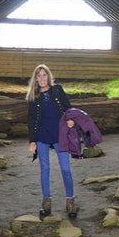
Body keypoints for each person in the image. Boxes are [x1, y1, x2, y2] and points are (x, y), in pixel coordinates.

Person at [26, 64, 79, 218]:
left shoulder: (57, 90)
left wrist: (70, 120)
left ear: (48, 76)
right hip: (42, 136)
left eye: (44, 75)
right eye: (39, 76)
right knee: (45, 169)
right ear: (35, 79)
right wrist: (32, 141)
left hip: (59, 135)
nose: (42, 78)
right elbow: (31, 120)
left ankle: (70, 202)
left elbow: (68, 108)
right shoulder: (32, 97)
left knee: (65, 168)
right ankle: (46, 202)